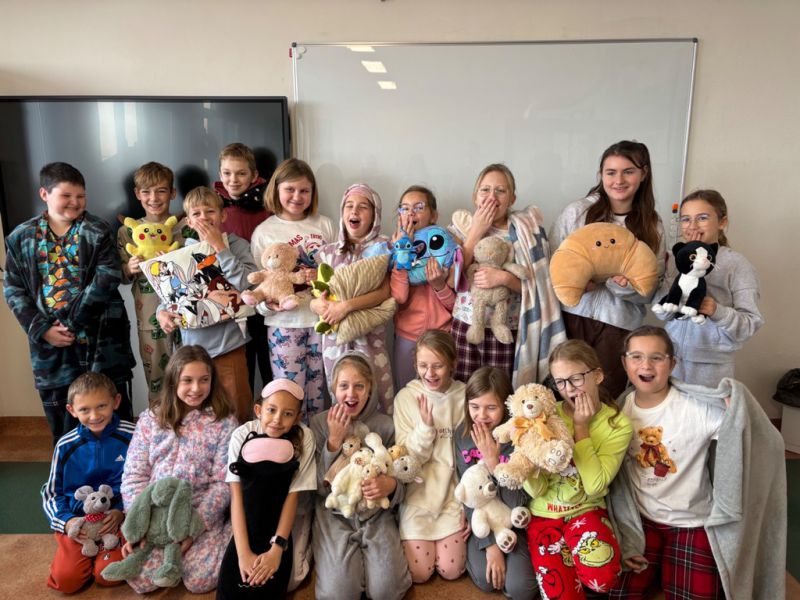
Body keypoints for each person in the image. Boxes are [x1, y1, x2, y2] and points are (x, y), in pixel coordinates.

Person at [608, 325, 785, 599]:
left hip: (690, 522)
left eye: (657, 357)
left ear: (672, 364)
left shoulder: (697, 408)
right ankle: (660, 569)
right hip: (640, 523)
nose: (646, 365)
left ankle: (666, 569)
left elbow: (753, 433)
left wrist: (739, 406)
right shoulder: (617, 411)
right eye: (636, 357)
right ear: (624, 362)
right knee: (616, 592)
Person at [3, 162, 135, 445]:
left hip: (102, 343)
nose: (75, 202)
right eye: (66, 195)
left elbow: (107, 278)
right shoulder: (20, 238)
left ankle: (124, 471)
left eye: (81, 196)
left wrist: (70, 323)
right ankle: (69, 470)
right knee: (64, 425)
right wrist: (43, 330)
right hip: (52, 349)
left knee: (115, 419)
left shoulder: (97, 230)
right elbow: (13, 288)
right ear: (44, 194)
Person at [549, 141, 665, 398]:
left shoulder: (652, 225)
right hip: (571, 317)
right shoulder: (577, 213)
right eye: (611, 172)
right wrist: (579, 284)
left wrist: (618, 286)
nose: (618, 180)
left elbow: (650, 290)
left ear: (644, 173)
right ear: (601, 175)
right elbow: (553, 265)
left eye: (628, 172)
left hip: (618, 326)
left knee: (605, 397)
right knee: (563, 394)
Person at [120, 345, 237, 594]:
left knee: (200, 581)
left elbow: (223, 483)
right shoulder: (151, 419)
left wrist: (193, 528)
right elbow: (134, 475)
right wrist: (139, 523)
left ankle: (232, 532)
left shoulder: (224, 422)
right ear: (174, 380)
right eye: (187, 380)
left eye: (204, 380)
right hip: (155, 514)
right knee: (142, 580)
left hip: (199, 511)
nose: (196, 388)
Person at [524, 339, 632, 600]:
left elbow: (595, 487)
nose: (569, 389)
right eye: (560, 382)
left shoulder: (617, 424)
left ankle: (579, 569)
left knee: (603, 579)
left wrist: (581, 427)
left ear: (597, 375)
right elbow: (536, 490)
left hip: (586, 510)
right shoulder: (546, 415)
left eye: (576, 378)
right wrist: (527, 457)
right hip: (544, 515)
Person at [450, 163, 564, 387]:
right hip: (467, 325)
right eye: (485, 190)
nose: (491, 197)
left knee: (501, 393)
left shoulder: (528, 232)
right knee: (464, 390)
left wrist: (506, 279)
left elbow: (543, 290)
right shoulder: (460, 229)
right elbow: (451, 280)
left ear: (512, 198)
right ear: (475, 197)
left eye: (500, 191)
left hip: (507, 329)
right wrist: (475, 233)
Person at [310, 352, 411, 600]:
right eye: (343, 386)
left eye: (359, 386)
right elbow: (320, 488)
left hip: (376, 515)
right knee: (339, 593)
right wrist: (334, 441)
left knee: (387, 591)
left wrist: (390, 486)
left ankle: (370, 570)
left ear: (370, 389)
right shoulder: (320, 423)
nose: (351, 394)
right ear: (334, 389)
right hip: (334, 515)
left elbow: (403, 474)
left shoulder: (386, 425)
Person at [156, 186, 258, 423]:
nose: (204, 218)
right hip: (192, 350)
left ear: (223, 215)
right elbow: (169, 297)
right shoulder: (181, 251)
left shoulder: (237, 245)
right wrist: (162, 313)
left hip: (229, 347)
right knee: (195, 416)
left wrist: (220, 248)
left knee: (236, 412)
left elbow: (248, 284)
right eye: (196, 213)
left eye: (210, 211)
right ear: (189, 221)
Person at [250, 158, 335, 421]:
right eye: (290, 189)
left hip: (321, 321)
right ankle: (292, 439)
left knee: (318, 390)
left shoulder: (325, 225)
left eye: (304, 190)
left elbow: (338, 272)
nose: (297, 197)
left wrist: (320, 277)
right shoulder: (264, 232)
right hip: (284, 325)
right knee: (288, 392)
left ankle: (315, 440)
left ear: (313, 193)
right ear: (276, 189)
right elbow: (261, 285)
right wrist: (267, 306)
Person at [217, 378, 316, 599]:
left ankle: (308, 540)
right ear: (258, 410)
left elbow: (293, 496)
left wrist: (277, 548)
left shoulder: (304, 437)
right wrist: (243, 553)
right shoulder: (241, 435)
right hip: (250, 513)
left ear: (297, 418)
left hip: (288, 513)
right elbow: (236, 496)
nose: (277, 420)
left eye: (288, 414)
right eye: (271, 410)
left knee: (293, 580)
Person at [658, 189, 763, 388]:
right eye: (686, 219)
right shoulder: (674, 260)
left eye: (702, 218)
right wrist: (669, 302)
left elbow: (750, 323)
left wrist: (717, 311)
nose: (692, 226)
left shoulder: (737, 265)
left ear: (722, 222)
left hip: (711, 369)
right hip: (670, 361)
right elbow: (664, 313)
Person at [41, 372, 134, 592]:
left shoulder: (133, 436)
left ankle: (103, 556)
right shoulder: (65, 445)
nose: (94, 416)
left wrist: (122, 511)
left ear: (116, 402)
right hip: (78, 524)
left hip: (116, 521)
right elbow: (51, 493)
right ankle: (76, 556)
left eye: (101, 406)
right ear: (72, 410)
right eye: (84, 409)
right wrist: (67, 522)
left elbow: (145, 482)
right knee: (67, 580)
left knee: (108, 575)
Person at [453, 366, 537, 599]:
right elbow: (468, 496)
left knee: (521, 589)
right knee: (486, 580)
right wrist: (490, 545)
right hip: (483, 521)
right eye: (474, 407)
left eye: (491, 408)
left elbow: (518, 501)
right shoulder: (462, 435)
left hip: (515, 519)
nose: (481, 415)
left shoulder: (518, 435)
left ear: (506, 406)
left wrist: (493, 463)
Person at [310, 183, 395, 413]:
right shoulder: (328, 253)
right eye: (349, 205)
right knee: (342, 393)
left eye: (363, 206)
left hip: (370, 339)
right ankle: (343, 434)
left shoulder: (383, 247)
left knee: (376, 390)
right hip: (334, 340)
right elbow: (316, 293)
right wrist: (317, 304)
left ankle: (381, 434)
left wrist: (346, 306)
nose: (354, 211)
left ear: (374, 215)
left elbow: (384, 292)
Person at [393, 330, 468, 583]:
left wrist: (470, 505)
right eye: (423, 365)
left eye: (438, 366)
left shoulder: (464, 396)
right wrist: (425, 429)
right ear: (415, 365)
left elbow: (470, 457)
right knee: (419, 573)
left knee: (451, 570)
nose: (430, 373)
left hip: (452, 496)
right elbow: (405, 463)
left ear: (453, 364)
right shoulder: (405, 398)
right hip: (418, 495)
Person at [117, 161, 186, 403]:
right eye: (146, 192)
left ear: (173, 193)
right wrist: (129, 267)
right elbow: (120, 274)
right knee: (157, 379)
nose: (153, 198)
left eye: (161, 191)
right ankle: (159, 423)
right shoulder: (128, 232)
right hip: (149, 317)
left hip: (187, 314)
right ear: (137, 194)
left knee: (191, 376)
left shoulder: (186, 227)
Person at [214, 142, 272, 398]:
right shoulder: (214, 208)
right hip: (232, 300)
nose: (233, 179)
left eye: (241, 173)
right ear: (220, 174)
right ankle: (246, 416)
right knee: (242, 366)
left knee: (269, 362)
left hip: (266, 295)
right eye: (227, 173)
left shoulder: (268, 207)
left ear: (254, 175)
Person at [390, 185, 456, 390]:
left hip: (442, 335)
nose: (411, 213)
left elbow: (457, 307)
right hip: (408, 336)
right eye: (405, 208)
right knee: (406, 393)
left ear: (433, 215)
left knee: (441, 395)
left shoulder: (446, 248)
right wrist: (402, 252)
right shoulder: (392, 249)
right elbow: (399, 297)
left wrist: (439, 286)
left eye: (418, 207)